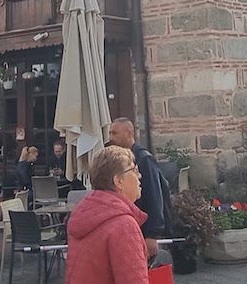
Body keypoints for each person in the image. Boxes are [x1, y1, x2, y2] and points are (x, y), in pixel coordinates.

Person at [65, 145, 148, 284]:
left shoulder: (84, 214)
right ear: (118, 181)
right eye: (134, 170)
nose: (139, 175)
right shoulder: (123, 225)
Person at [107, 117, 169, 259]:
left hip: (144, 230)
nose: (111, 138)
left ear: (129, 133)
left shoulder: (144, 159)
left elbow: (154, 196)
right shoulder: (119, 160)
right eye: (110, 133)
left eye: (114, 133)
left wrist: (152, 234)